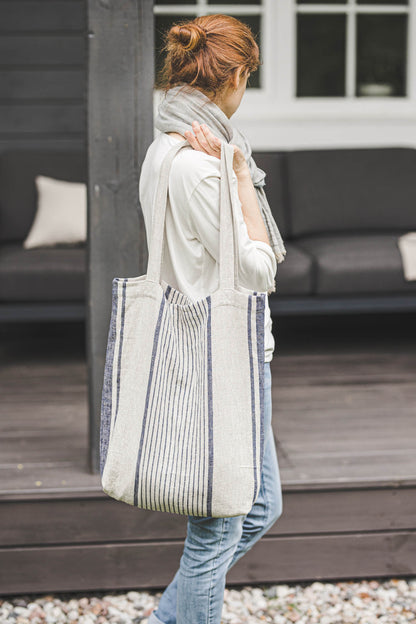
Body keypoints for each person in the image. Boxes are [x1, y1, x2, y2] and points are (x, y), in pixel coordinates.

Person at [139, 13, 284, 624]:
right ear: (235, 76)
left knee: (259, 507)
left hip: (229, 355)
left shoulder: (165, 148)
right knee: (215, 534)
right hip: (217, 358)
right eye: (247, 78)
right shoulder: (200, 165)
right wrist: (241, 181)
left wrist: (233, 169)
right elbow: (259, 269)